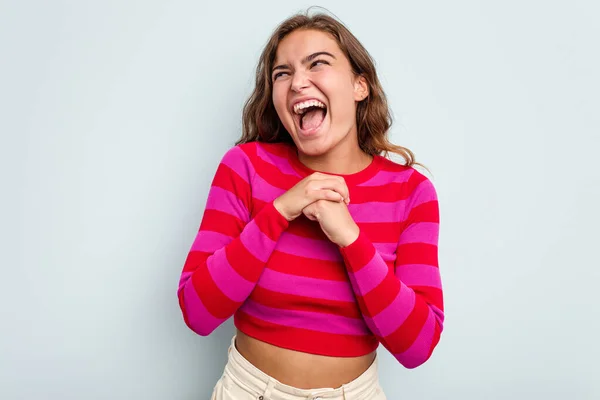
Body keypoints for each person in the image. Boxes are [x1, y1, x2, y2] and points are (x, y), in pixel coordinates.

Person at [177, 9, 444, 400]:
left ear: (359, 85)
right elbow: (198, 311)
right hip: (249, 391)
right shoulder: (245, 167)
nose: (298, 82)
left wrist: (351, 240)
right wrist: (280, 211)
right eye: (282, 73)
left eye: (317, 63)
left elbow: (417, 345)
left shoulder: (411, 191)